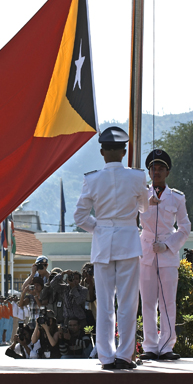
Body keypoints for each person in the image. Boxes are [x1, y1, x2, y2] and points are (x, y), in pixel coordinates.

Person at [74, 126, 148, 370]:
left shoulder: (92, 179)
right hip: (128, 241)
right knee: (128, 303)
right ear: (124, 151)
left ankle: (106, 356)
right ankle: (125, 356)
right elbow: (144, 208)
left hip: (103, 243)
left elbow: (80, 216)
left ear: (102, 152)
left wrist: (101, 228)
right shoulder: (137, 177)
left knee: (105, 304)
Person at [138, 149, 191, 361]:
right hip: (147, 253)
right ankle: (150, 345)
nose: (156, 172)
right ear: (149, 172)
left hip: (167, 255)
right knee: (148, 302)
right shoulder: (141, 195)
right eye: (153, 168)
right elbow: (130, 218)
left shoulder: (177, 197)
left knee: (168, 301)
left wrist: (169, 244)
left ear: (167, 172)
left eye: (160, 168)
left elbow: (185, 227)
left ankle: (167, 346)